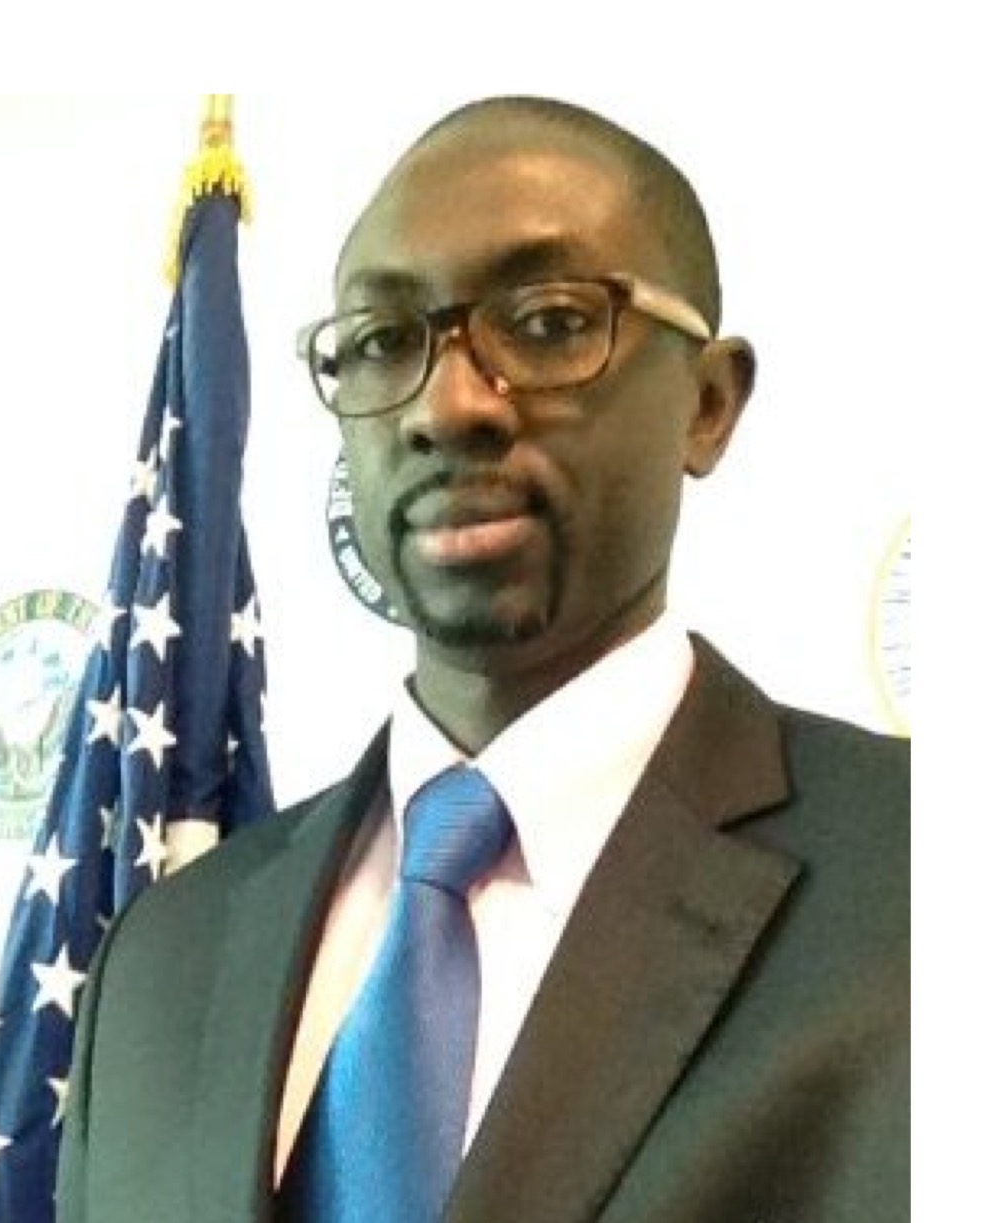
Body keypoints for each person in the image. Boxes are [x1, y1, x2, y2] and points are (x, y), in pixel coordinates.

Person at [56, 96, 909, 1223]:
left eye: (549, 323)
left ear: (709, 402)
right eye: (380, 342)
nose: (446, 406)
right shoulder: (161, 956)